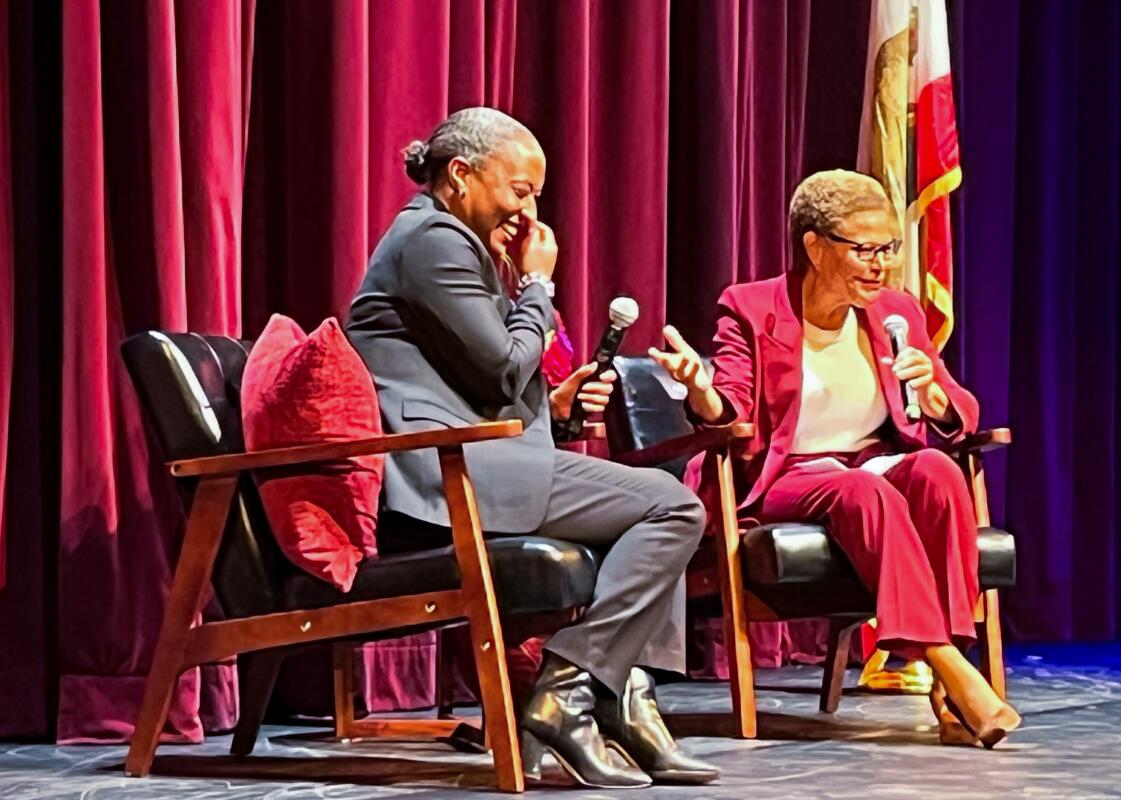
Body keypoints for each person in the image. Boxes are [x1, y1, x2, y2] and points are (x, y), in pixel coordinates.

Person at [345, 107, 718, 788]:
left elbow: (490, 383)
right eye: (520, 190)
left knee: (650, 517)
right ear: (460, 174)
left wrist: (563, 405)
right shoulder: (433, 240)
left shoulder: (450, 239)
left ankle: (626, 700)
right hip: (445, 472)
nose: (529, 211)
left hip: (477, 454)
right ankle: (572, 691)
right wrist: (537, 283)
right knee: (672, 508)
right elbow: (504, 369)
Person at [651, 169, 1021, 748]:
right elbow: (732, 413)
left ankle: (950, 687)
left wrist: (934, 396)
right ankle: (948, 666)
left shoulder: (895, 311)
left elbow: (962, 412)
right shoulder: (749, 308)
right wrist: (699, 390)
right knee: (864, 491)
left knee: (937, 470)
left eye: (889, 248)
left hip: (866, 464)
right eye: (865, 249)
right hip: (781, 478)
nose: (881, 264)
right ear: (815, 247)